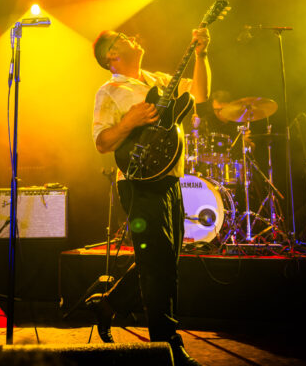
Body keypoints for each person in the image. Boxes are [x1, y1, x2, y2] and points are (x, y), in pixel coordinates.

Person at [88, 28, 210, 366]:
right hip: (138, 183)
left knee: (165, 261)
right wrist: (128, 122)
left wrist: (201, 54)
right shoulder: (109, 90)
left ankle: (109, 304)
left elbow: (200, 94)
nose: (132, 38)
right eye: (121, 39)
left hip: (170, 180)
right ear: (111, 56)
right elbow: (101, 143)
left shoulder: (159, 80)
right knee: (158, 266)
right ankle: (167, 344)